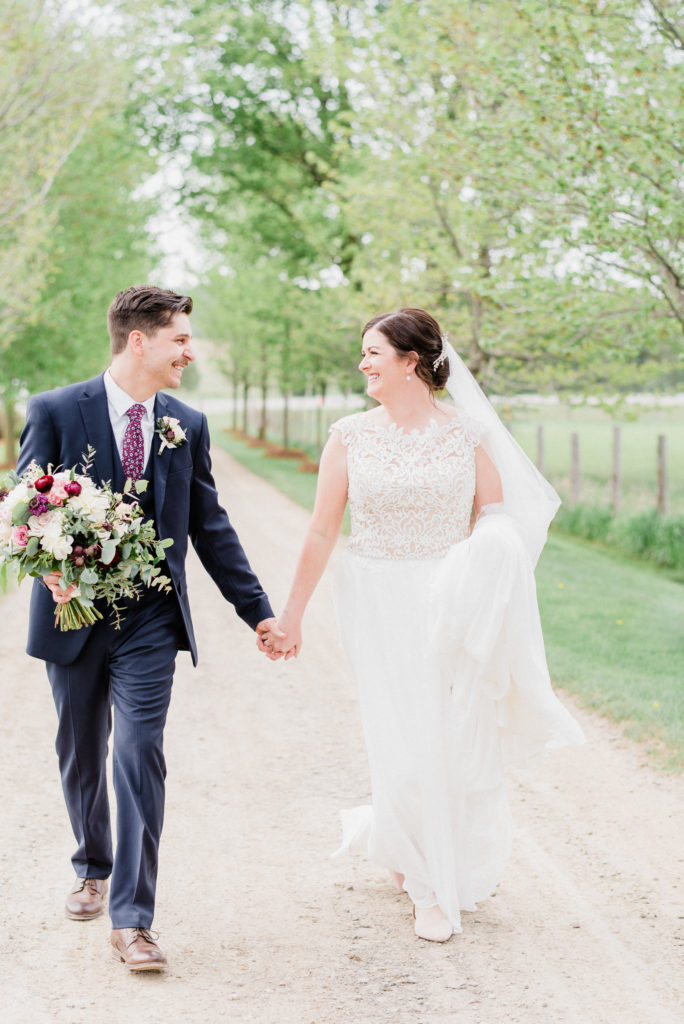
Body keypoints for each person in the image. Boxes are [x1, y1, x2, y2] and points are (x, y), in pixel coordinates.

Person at [259, 308, 584, 942]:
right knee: (398, 732)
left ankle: (430, 869)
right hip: (376, 597)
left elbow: (495, 517)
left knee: (445, 734)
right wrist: (291, 615)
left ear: (412, 361)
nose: (363, 364)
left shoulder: (468, 435)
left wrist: (489, 552)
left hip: (447, 599)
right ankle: (421, 868)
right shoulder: (349, 435)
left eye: (373, 353)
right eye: (363, 353)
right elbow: (323, 530)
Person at [17, 285, 282, 971]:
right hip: (73, 614)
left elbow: (210, 526)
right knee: (80, 749)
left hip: (151, 619)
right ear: (140, 340)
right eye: (181, 340)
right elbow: (25, 507)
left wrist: (257, 609)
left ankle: (133, 919)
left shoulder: (185, 423)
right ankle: (90, 862)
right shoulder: (52, 409)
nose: (190, 353)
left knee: (138, 752)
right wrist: (50, 568)